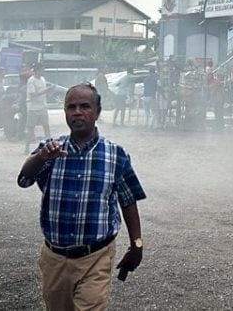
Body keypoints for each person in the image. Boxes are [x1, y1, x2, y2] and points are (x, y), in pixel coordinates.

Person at [18, 84, 146, 310]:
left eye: (85, 106)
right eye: (71, 107)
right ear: (65, 112)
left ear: (97, 112)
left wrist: (137, 245)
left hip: (96, 256)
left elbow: (128, 200)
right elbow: (24, 179)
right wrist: (41, 157)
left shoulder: (115, 154)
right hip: (55, 258)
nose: (77, 112)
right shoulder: (50, 150)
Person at [24, 66, 52, 152]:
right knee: (31, 128)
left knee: (46, 126)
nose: (42, 72)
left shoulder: (42, 79)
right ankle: (27, 148)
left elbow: (44, 92)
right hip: (33, 108)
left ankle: (50, 147)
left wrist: (50, 91)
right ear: (36, 71)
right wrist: (45, 91)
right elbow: (32, 94)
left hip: (43, 106)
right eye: (40, 70)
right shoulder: (31, 80)